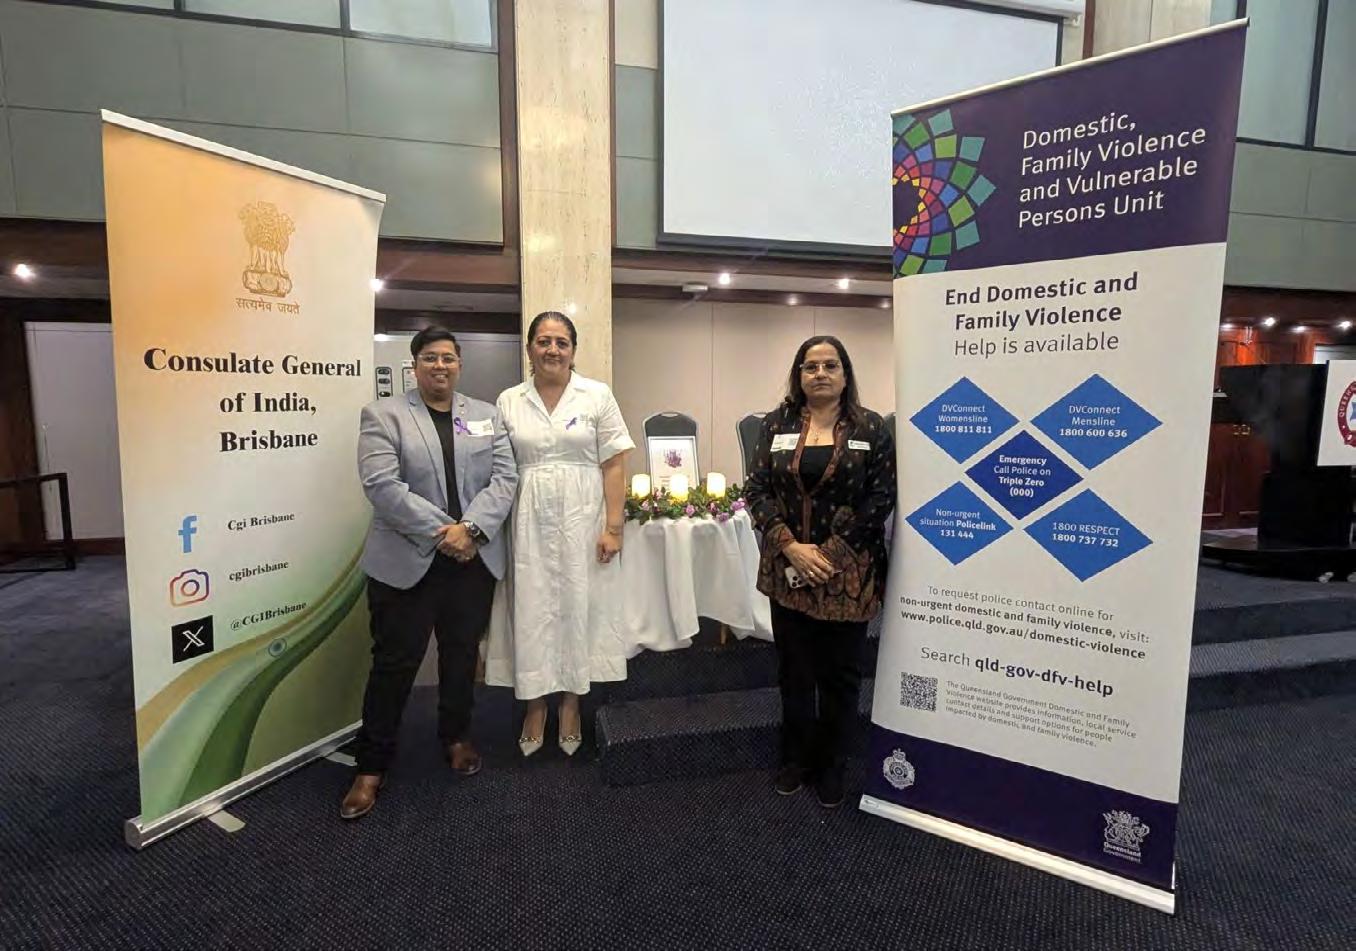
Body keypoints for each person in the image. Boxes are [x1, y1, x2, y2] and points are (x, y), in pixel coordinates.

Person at [340, 327, 518, 820]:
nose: (440, 366)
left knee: (461, 657)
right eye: (430, 358)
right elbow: (381, 485)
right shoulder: (383, 415)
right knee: (393, 665)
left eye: (448, 358)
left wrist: (472, 530)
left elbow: (506, 479)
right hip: (406, 563)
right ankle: (371, 766)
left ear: (460, 364)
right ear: (415, 365)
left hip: (471, 563)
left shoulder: (485, 415)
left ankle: (456, 737)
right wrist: (447, 533)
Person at [744, 335, 896, 808]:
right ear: (799, 375)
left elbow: (881, 498)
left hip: (848, 573)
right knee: (794, 672)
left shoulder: (871, 427)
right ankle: (795, 759)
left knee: (840, 677)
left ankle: (832, 766)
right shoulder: (777, 423)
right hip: (788, 570)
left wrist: (827, 555)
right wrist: (791, 548)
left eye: (831, 365)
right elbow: (756, 489)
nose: (821, 374)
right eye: (811, 366)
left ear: (845, 375)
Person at [485, 311, 634, 756]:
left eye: (561, 342)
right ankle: (535, 705)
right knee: (530, 611)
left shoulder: (597, 395)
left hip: (582, 519)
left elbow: (614, 463)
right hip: (526, 521)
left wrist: (613, 528)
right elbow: (497, 467)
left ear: (573, 350)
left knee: (577, 606)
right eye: (544, 341)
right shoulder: (509, 400)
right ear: (529, 348)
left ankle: (570, 703)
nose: (552, 349)